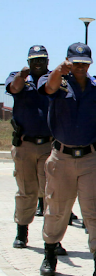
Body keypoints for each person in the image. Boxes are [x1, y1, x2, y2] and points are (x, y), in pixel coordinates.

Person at [37, 42, 96, 276]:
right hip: (61, 157)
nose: (80, 67)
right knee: (57, 208)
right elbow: (48, 88)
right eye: (76, 63)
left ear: (90, 63)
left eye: (84, 63)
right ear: (68, 61)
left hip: (91, 158)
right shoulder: (57, 83)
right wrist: (59, 70)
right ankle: (50, 254)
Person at [5, 45, 58, 252]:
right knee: (26, 191)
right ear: (28, 62)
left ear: (47, 61)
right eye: (34, 60)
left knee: (51, 193)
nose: (38, 63)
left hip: (48, 145)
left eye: (41, 60)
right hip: (25, 145)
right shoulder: (18, 78)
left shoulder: (53, 80)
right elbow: (14, 88)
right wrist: (22, 75)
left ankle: (52, 238)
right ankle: (21, 232)